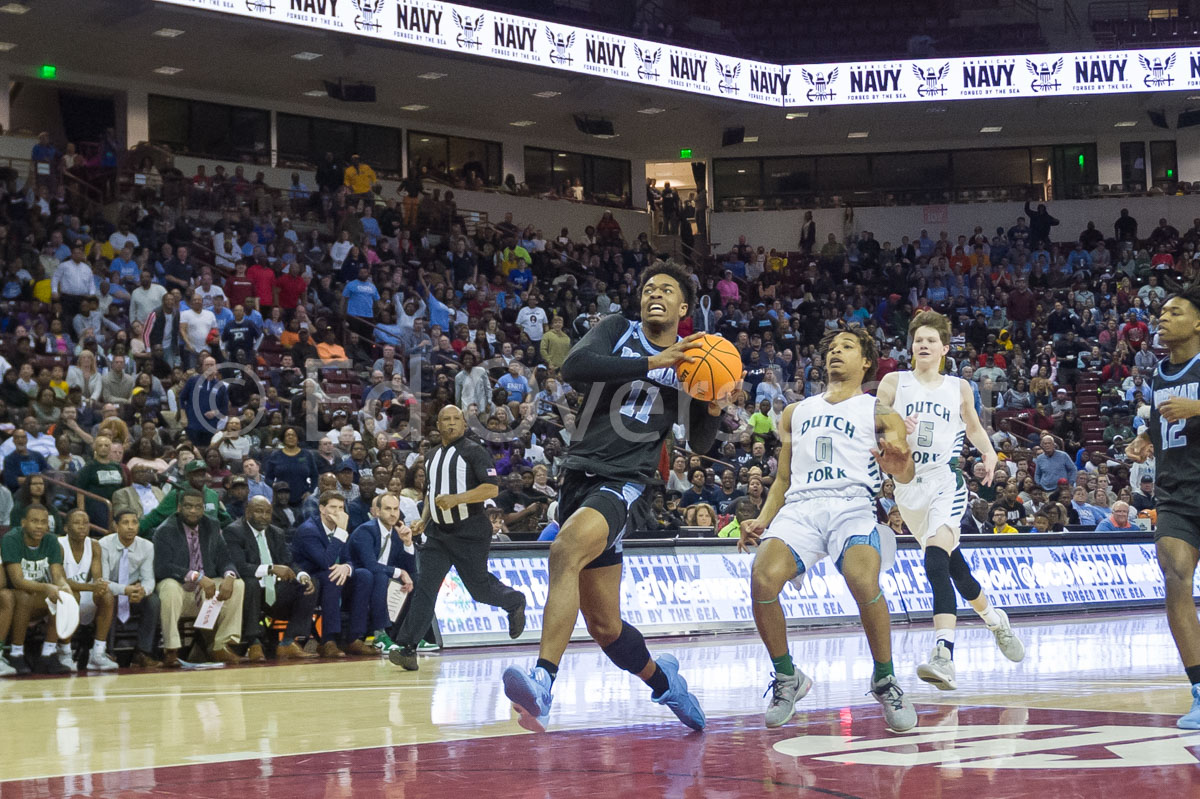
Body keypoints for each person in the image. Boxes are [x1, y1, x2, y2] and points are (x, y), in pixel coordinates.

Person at [502, 261, 725, 733]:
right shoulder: (617, 330)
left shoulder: (693, 360)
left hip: (626, 480)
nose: (654, 294)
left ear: (684, 308)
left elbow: (702, 442)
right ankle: (666, 682)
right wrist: (651, 363)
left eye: (665, 289)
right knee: (606, 628)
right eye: (648, 289)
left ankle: (542, 683)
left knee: (563, 549)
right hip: (578, 475)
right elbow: (576, 366)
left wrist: (714, 399)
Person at [739, 329, 916, 733]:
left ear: (866, 361)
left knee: (860, 575)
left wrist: (899, 463)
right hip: (801, 506)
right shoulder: (794, 412)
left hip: (853, 504)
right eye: (832, 347)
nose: (836, 351)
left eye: (847, 346)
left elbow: (906, 472)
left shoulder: (880, 412)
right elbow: (783, 478)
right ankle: (788, 677)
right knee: (762, 578)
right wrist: (763, 518)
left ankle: (885, 678)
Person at [875, 311, 1024, 691]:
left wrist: (990, 454)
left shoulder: (958, 386)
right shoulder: (894, 381)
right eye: (918, 340)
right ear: (911, 347)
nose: (923, 345)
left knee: (935, 560)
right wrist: (890, 421)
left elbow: (973, 425)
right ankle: (995, 621)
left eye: (930, 340)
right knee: (956, 570)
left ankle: (944, 653)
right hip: (907, 486)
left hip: (946, 481)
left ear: (944, 348)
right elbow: (873, 416)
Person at [390, 406, 525, 669]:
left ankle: (514, 601)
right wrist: (423, 520)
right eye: (446, 419)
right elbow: (431, 493)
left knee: (479, 589)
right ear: (438, 425)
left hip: (470, 531)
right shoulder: (430, 456)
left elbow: (491, 487)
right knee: (425, 589)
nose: (451, 424)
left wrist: (457, 499)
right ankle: (408, 647)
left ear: (464, 424)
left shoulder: (474, 451)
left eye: (456, 419)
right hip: (438, 535)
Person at [1125, 285, 1200, 729]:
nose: (1162, 317)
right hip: (1175, 494)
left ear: (1197, 322)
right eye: (1161, 312)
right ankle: (1199, 688)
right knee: (1174, 574)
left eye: (1174, 311)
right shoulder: (1158, 373)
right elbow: (1160, 418)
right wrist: (1144, 438)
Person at [153, 490, 246, 667]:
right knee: (169, 587)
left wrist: (229, 576)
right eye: (188, 506)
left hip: (207, 592)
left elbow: (224, 558)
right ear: (179, 508)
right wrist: (197, 576)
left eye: (197, 507)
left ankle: (221, 646)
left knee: (238, 584)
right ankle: (171, 650)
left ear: (203, 509)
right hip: (182, 591)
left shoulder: (211, 525)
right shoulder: (165, 530)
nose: (193, 511)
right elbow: (162, 567)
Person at [224, 496, 318, 661]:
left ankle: (288, 641)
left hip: (275, 591)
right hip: (250, 592)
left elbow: (289, 562)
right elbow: (239, 567)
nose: (264, 516)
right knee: (251, 583)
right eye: (259, 511)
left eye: (268, 512)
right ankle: (254, 642)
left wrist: (302, 575)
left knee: (311, 584)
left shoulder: (276, 532)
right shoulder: (234, 531)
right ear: (247, 512)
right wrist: (270, 569)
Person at [290, 490, 373, 657]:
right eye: (333, 507)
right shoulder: (308, 530)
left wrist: (347, 568)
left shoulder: (340, 528)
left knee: (364, 575)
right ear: (322, 509)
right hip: (311, 580)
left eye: (341, 508)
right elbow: (325, 562)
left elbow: (350, 558)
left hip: (335, 577)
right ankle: (329, 640)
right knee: (331, 576)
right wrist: (341, 532)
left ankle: (354, 638)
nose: (338, 512)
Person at [2, 505, 74, 674]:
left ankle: (48, 654)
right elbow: (17, 581)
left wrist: (62, 586)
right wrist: (48, 587)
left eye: (43, 522)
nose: (40, 526)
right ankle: (16, 654)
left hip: (37, 596)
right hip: (15, 595)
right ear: (23, 523)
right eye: (34, 521)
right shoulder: (11, 539)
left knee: (64, 597)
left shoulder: (50, 541)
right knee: (25, 596)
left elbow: (57, 574)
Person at [348, 493, 415, 654]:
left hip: (381, 580)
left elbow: (411, 570)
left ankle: (411, 635)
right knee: (378, 576)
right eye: (387, 509)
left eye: (396, 509)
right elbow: (370, 565)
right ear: (377, 511)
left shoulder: (397, 533)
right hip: (355, 583)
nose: (393, 513)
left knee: (416, 580)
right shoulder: (366, 531)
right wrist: (400, 572)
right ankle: (380, 634)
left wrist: (407, 543)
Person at [99, 509, 161, 668]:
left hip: (134, 593)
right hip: (110, 591)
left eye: (134, 522)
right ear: (115, 526)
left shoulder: (147, 546)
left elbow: (148, 580)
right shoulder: (103, 545)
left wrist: (142, 591)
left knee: (153, 601)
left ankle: (142, 652)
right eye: (125, 523)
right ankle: (107, 651)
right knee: (106, 597)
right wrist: (124, 590)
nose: (131, 527)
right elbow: (102, 581)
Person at [59, 509, 118, 671]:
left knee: (106, 594)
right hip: (60, 599)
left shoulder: (94, 545)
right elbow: (61, 581)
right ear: (66, 528)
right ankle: (64, 652)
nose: (82, 527)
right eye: (77, 523)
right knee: (71, 595)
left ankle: (98, 653)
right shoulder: (59, 545)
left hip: (83, 594)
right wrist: (92, 586)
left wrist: (99, 587)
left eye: (85, 523)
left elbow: (97, 579)